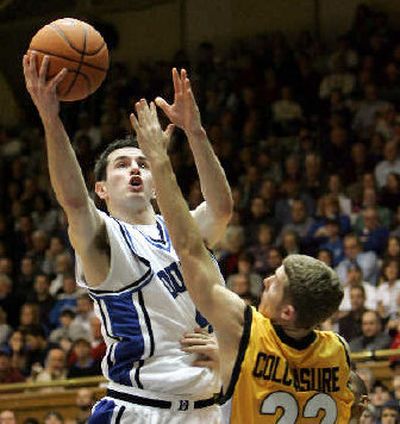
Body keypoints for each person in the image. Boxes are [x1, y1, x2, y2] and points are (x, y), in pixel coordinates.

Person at [23, 54, 232, 423]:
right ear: (101, 189)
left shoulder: (182, 232)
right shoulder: (106, 238)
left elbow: (221, 207)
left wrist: (195, 133)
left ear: (155, 185)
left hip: (206, 409)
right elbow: (72, 200)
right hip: (140, 409)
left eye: (143, 163)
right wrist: (50, 118)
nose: (135, 167)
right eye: (122, 164)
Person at [131, 97, 354, 423]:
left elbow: (190, 249)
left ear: (288, 312)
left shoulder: (247, 334)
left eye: (276, 284)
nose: (265, 281)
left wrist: (158, 159)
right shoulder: (338, 352)